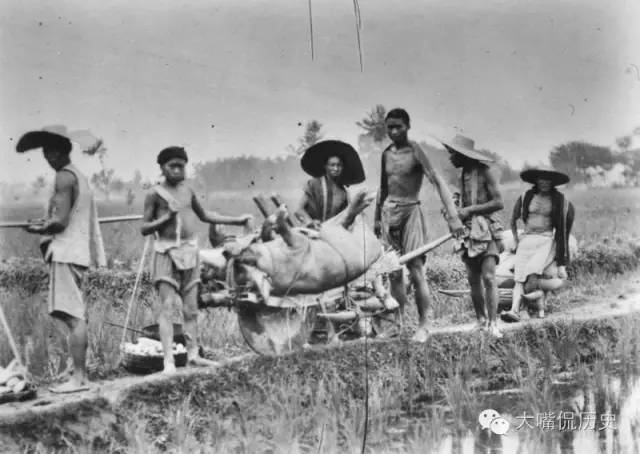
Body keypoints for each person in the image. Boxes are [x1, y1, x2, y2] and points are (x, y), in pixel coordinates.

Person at [141, 146, 253, 373]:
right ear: (162, 168)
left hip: (191, 252)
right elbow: (144, 228)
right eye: (172, 166)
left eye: (181, 166)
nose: (177, 170)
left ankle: (193, 355)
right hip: (166, 253)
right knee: (167, 308)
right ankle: (169, 361)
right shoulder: (155, 194)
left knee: (191, 310)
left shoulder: (188, 191)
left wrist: (237, 220)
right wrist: (166, 217)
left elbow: (205, 215)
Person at [17, 125, 106, 393]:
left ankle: (79, 378)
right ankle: (75, 371)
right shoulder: (79, 176)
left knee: (72, 316)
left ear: (60, 152)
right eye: (44, 152)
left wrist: (39, 228)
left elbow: (60, 221)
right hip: (77, 250)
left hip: (67, 252)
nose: (46, 157)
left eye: (49, 152)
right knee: (73, 314)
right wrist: (49, 222)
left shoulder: (64, 178)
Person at [374, 109, 464, 343]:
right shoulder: (385, 154)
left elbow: (436, 180)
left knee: (416, 269)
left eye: (398, 127)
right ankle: (397, 324)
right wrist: (376, 219)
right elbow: (382, 189)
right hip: (388, 213)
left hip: (410, 212)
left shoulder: (416, 151)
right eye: (390, 127)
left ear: (407, 126)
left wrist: (453, 217)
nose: (394, 132)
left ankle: (425, 324)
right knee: (393, 273)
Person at [442, 134, 505, 338]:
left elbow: (498, 202)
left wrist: (469, 210)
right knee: (472, 279)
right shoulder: (463, 175)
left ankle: (494, 324)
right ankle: (481, 320)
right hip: (468, 231)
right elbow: (462, 201)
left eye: (453, 154)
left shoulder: (486, 173)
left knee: (488, 276)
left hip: (485, 228)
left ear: (463, 155)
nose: (450, 158)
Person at [501, 166, 575, 322]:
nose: (544, 183)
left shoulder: (559, 201)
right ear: (536, 180)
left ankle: (525, 307)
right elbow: (513, 220)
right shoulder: (525, 197)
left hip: (545, 240)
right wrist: (516, 240)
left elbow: (563, 230)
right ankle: (515, 310)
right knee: (519, 278)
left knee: (532, 272)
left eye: (548, 180)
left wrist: (562, 263)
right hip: (526, 239)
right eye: (541, 179)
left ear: (553, 183)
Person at [296, 140, 365, 227]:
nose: (336, 169)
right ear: (325, 166)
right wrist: (310, 223)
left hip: (332, 233)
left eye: (339, 165)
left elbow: (344, 217)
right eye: (332, 165)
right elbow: (299, 210)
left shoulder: (343, 193)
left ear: (343, 168)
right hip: (311, 230)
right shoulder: (314, 184)